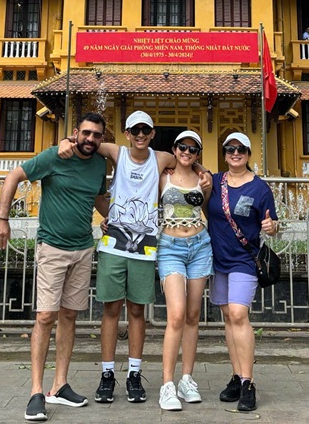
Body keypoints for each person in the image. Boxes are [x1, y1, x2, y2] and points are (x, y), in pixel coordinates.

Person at [56, 109, 207, 404]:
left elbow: (187, 158)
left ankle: (134, 374)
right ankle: (107, 373)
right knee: (111, 309)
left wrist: (205, 172)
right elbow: (86, 143)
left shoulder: (161, 159)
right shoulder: (117, 153)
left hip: (145, 247)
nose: (140, 135)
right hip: (114, 245)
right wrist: (65, 141)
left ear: (152, 134)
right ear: (126, 133)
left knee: (137, 311)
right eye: (134, 130)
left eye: (145, 130)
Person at [0, 112, 108, 423]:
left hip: (83, 248)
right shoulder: (54, 156)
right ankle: (36, 391)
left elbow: (97, 197)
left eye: (97, 135)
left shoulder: (99, 164)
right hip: (53, 247)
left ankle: (60, 385)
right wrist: (2, 218)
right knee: (45, 316)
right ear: (76, 132)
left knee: (70, 315)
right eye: (86, 133)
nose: (91, 139)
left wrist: (112, 217)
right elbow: (13, 176)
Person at [206, 131, 279, 413]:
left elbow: (272, 224)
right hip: (218, 259)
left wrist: (272, 227)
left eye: (241, 149)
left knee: (238, 314)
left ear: (248, 154)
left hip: (244, 260)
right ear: (224, 154)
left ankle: (248, 382)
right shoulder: (214, 181)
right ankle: (236, 376)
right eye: (230, 149)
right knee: (227, 317)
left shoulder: (260, 189)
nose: (235, 154)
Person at [156, 129, 213, 412]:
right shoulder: (162, 176)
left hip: (200, 246)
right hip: (170, 248)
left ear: (198, 153)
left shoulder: (203, 180)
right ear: (174, 149)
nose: (187, 152)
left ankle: (186, 379)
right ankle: (167, 384)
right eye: (182, 147)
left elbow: (210, 211)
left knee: (192, 315)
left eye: (193, 149)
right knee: (176, 315)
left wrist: (204, 172)